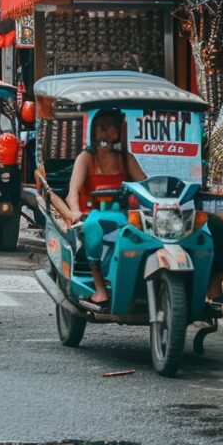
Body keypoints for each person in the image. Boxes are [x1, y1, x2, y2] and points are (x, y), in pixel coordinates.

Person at [65, 109, 146, 308]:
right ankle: (100, 286)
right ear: (94, 132)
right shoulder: (86, 158)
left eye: (111, 128)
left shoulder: (126, 158)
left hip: (122, 214)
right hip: (93, 214)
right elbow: (72, 193)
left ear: (119, 132)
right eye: (101, 127)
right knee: (94, 229)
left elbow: (145, 186)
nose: (106, 132)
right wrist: (75, 212)